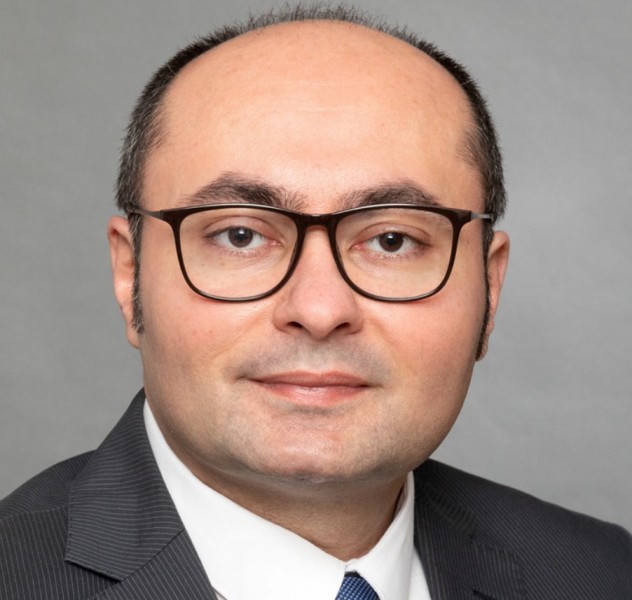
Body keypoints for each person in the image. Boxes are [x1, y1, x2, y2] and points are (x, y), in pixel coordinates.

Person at [1, 5, 630, 600]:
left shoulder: (601, 574)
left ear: (489, 290)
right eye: (240, 235)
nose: (321, 309)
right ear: (130, 274)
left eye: (392, 240)